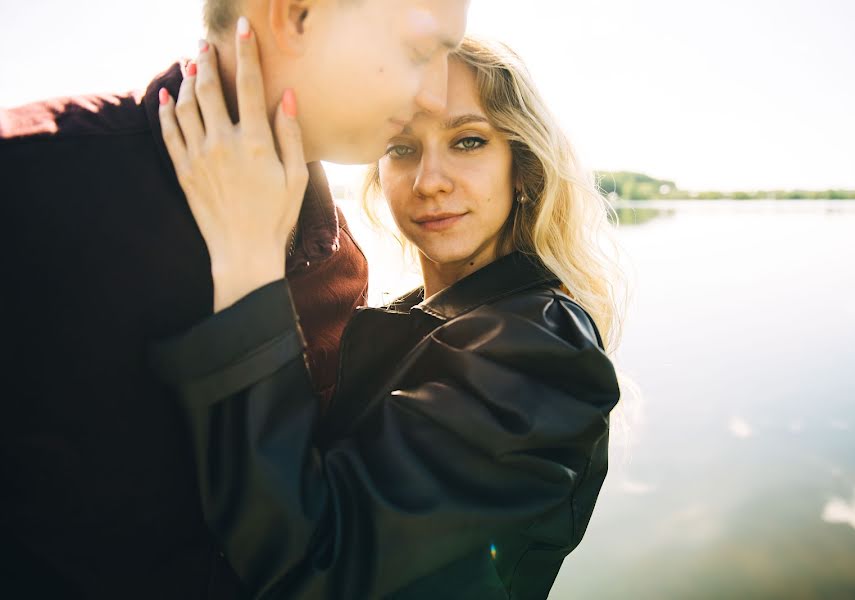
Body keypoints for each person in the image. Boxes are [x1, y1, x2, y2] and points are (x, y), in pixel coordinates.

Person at [0, 1, 469, 597]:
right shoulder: (23, 182)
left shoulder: (340, 259)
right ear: (295, 15)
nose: (435, 95)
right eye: (419, 51)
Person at [152, 34, 625, 599]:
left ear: (521, 168)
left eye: (468, 141)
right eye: (402, 148)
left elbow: (320, 564)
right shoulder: (419, 319)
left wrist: (247, 253)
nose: (429, 181)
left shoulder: (544, 347)